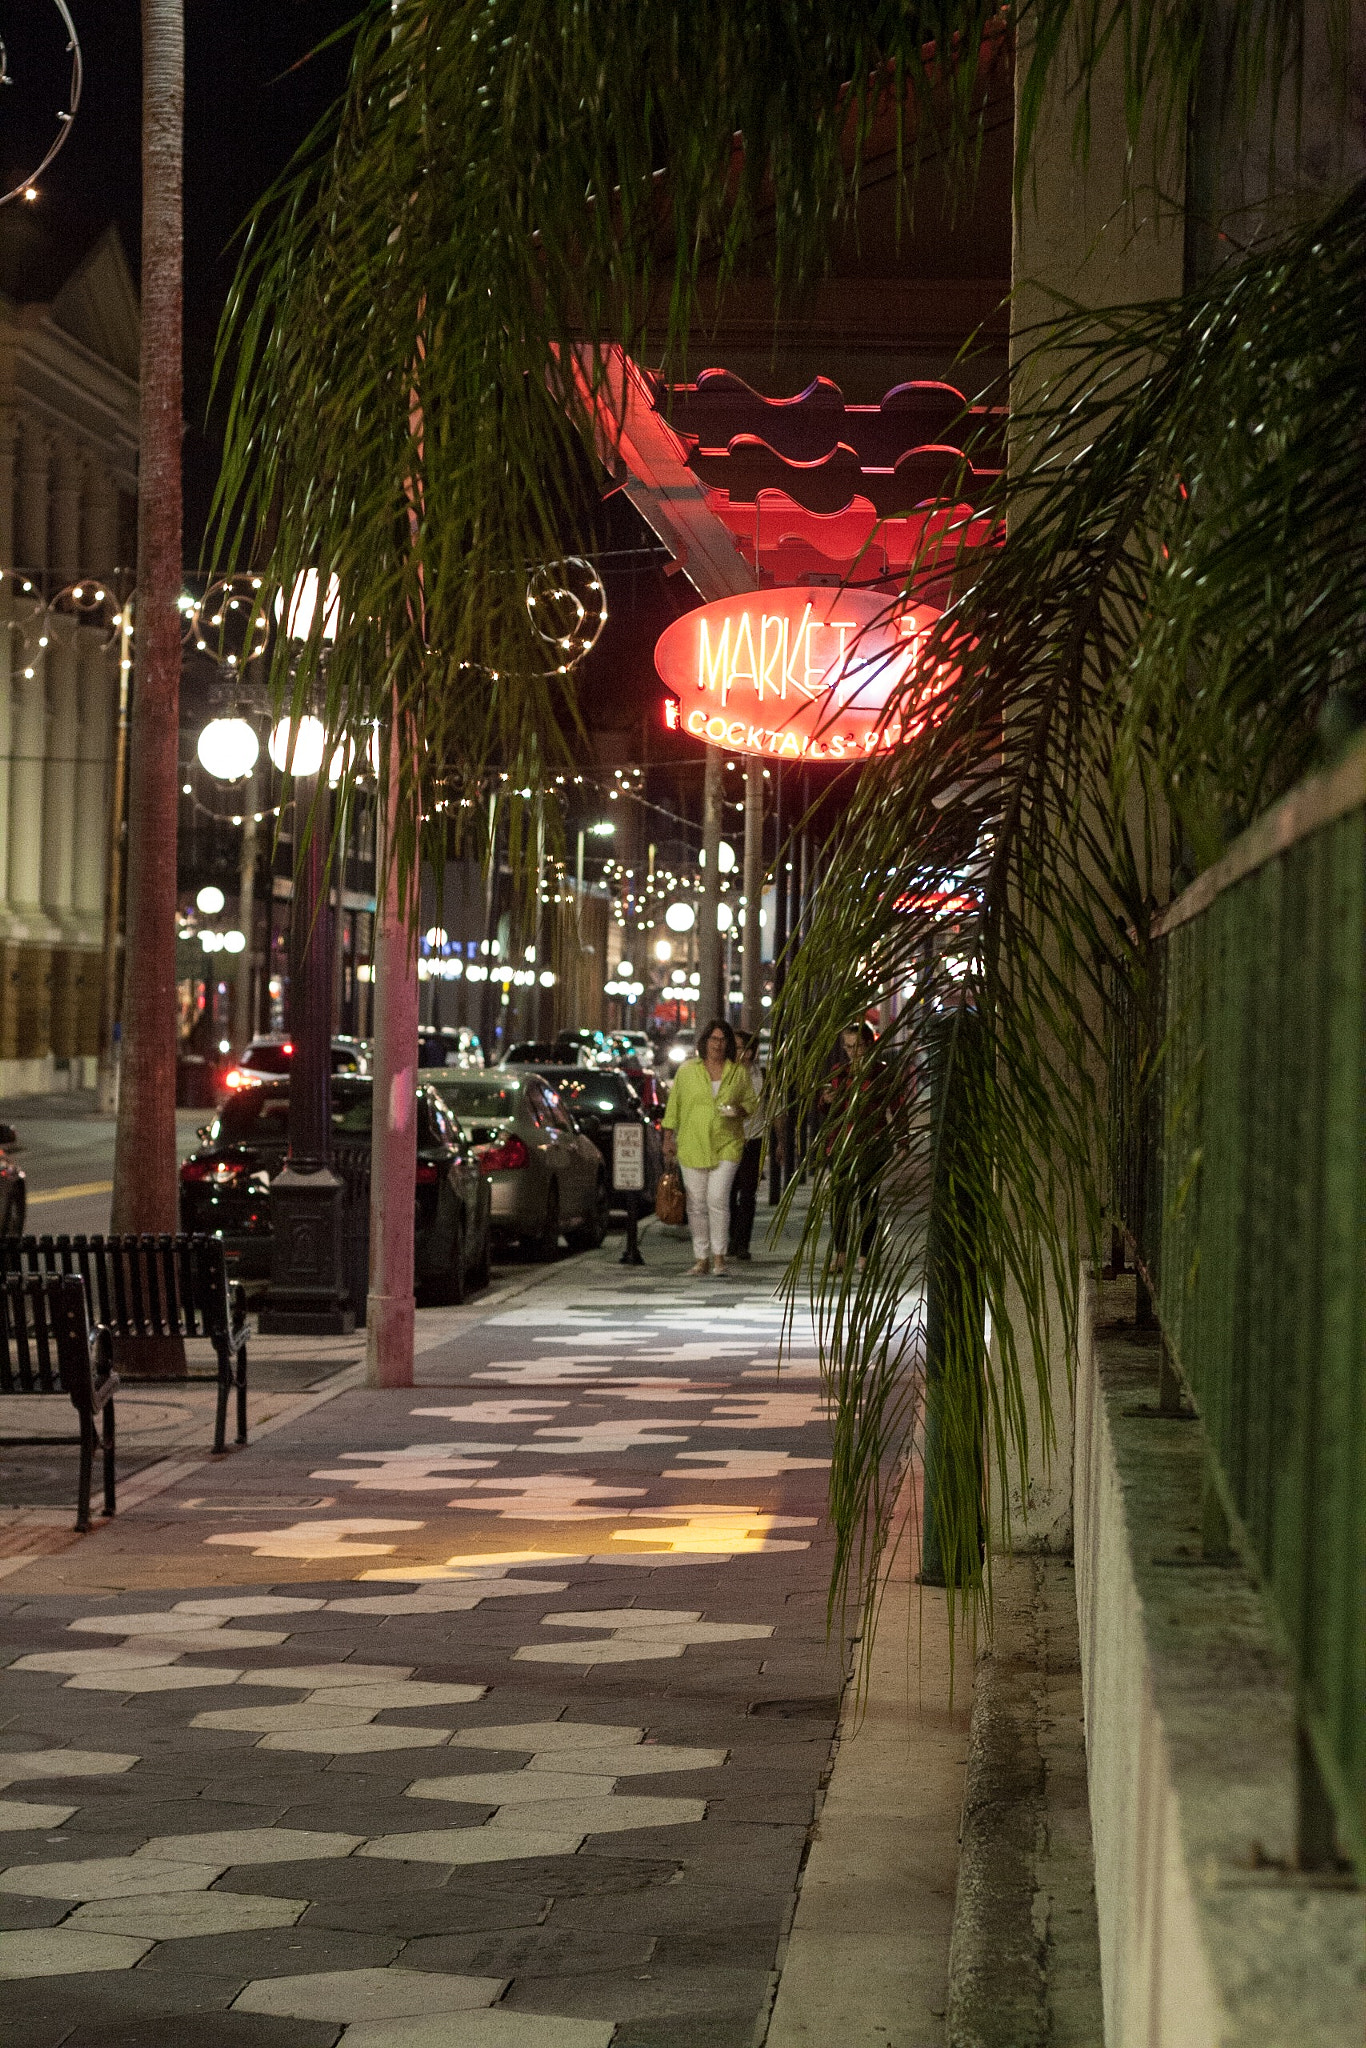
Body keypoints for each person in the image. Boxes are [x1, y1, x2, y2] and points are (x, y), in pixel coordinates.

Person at [662, 1016, 758, 1276]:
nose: (718, 1044)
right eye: (714, 1039)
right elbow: (674, 1106)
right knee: (696, 1203)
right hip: (693, 1144)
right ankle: (700, 1258)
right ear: (705, 1042)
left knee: (717, 1198)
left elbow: (751, 1103)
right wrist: (668, 1137)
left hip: (727, 1142)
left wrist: (739, 1109)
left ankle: (719, 1257)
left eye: (723, 1039)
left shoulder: (737, 1072)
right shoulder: (687, 1071)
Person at [820, 1022, 882, 1271]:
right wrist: (826, 1100)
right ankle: (841, 1253)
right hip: (840, 1142)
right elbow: (825, 1108)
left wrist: (902, 1140)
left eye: (857, 1046)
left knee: (868, 1199)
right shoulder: (839, 1071)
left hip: (869, 1141)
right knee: (840, 1199)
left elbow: (894, 1104)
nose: (852, 1052)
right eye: (847, 1047)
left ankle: (865, 1256)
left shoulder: (879, 1072)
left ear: (867, 1045)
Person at [727, 1029, 765, 1260]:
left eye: (741, 1048)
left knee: (748, 1194)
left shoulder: (762, 1076)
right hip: (730, 1139)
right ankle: (732, 1239)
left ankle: (743, 1243)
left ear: (750, 1052)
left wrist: (779, 1143)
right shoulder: (726, 1074)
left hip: (755, 1139)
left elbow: (775, 1109)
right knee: (728, 1192)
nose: (737, 1052)